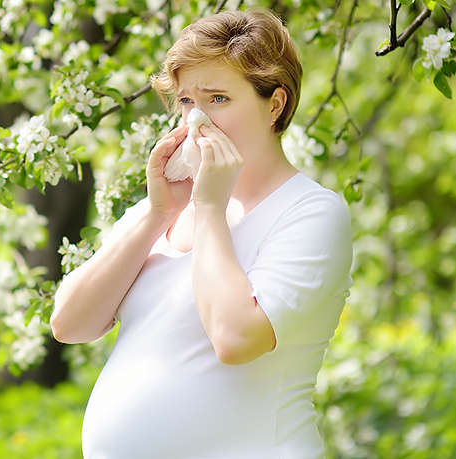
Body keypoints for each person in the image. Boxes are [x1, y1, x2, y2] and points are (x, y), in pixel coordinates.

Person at [50, 8, 354, 458]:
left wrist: (210, 207)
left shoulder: (310, 213)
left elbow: (236, 339)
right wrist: (158, 214)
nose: (197, 121)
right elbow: (69, 324)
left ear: (275, 104)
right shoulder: (162, 207)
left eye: (218, 99)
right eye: (187, 101)